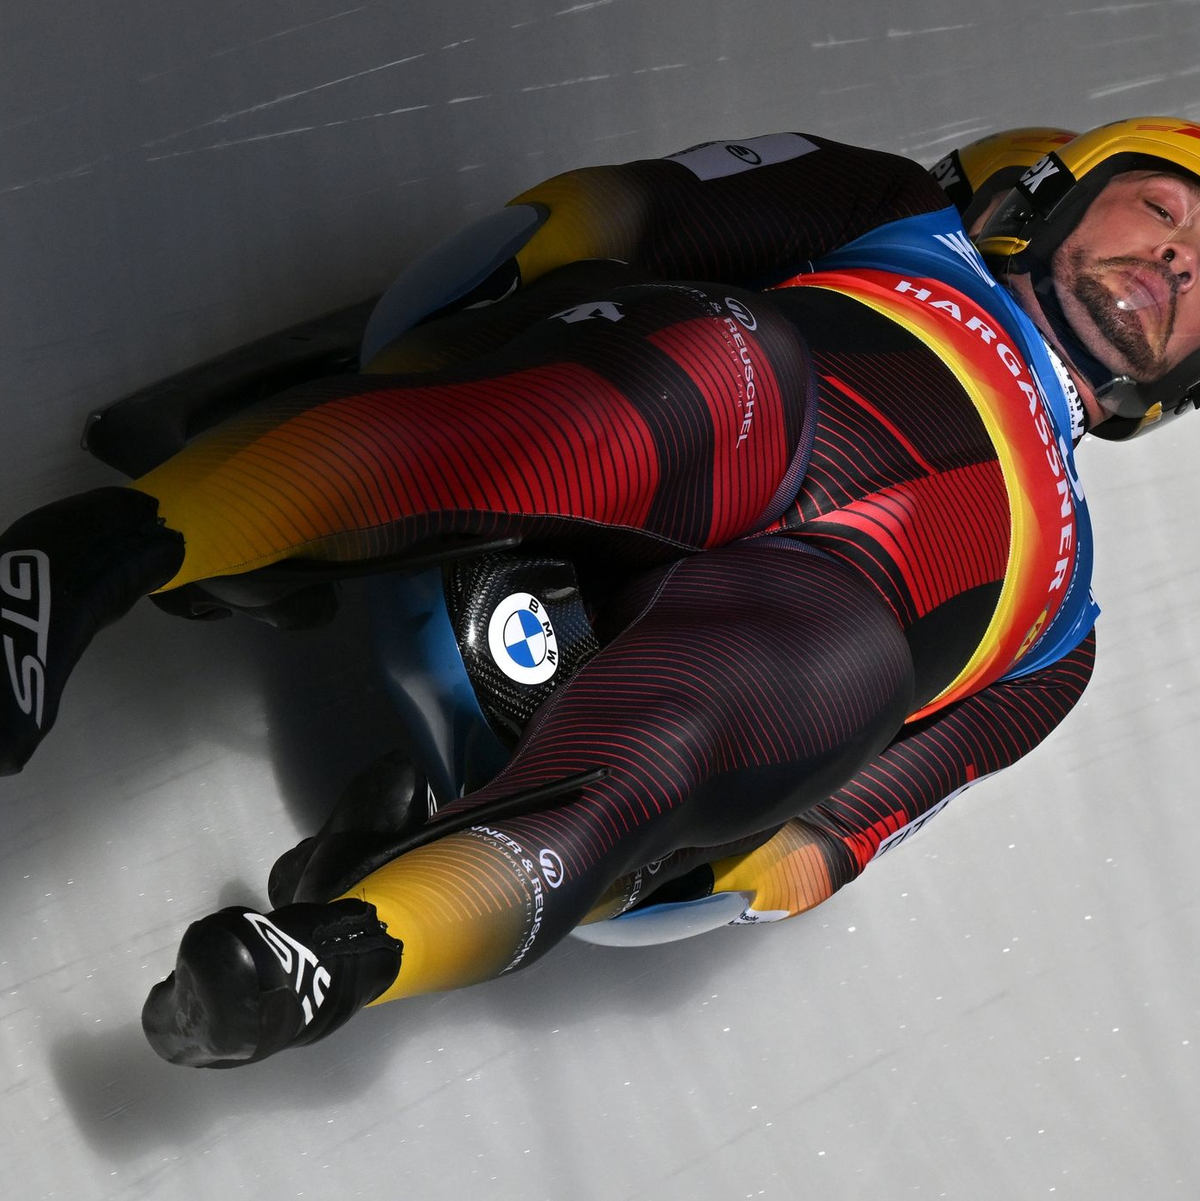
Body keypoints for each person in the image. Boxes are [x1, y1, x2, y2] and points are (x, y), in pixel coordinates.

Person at [1, 117, 1197, 1069]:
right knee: (733, 369)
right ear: (1058, 191)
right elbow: (626, 212)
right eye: (1163, 207)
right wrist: (483, 296)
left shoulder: (1065, 632)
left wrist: (706, 868)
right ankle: (96, 552)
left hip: (715, 675)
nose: (1177, 258)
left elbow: (836, 835)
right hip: (627, 433)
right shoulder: (889, 210)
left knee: (848, 663)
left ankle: (342, 954)